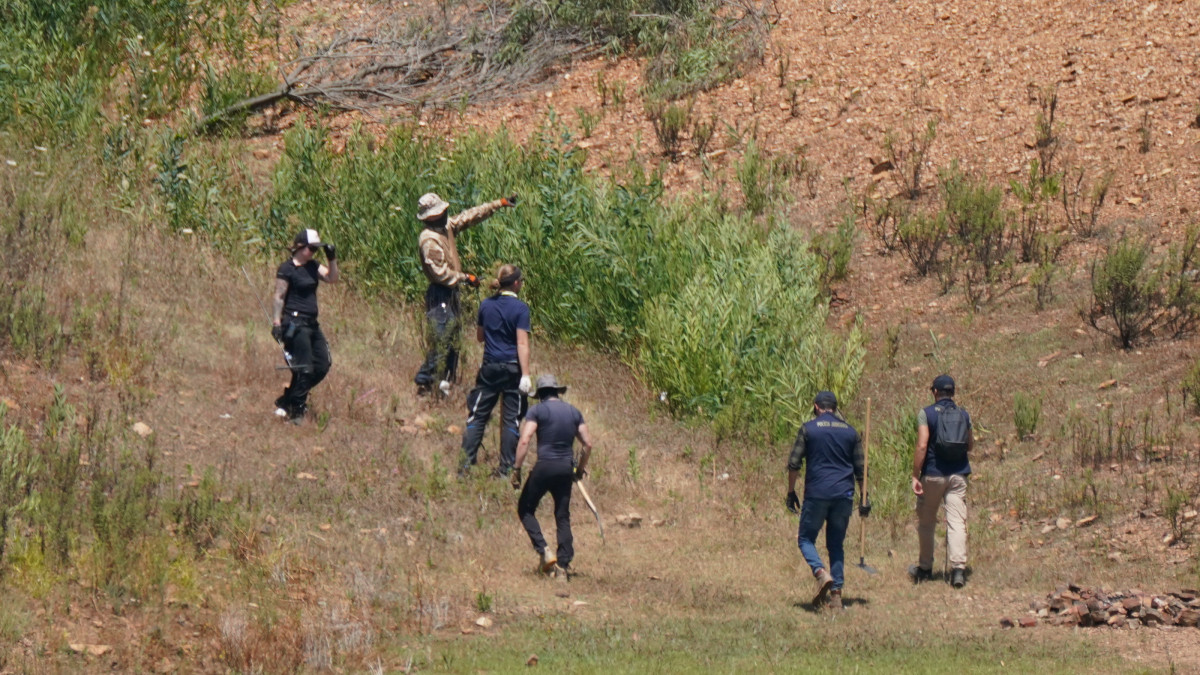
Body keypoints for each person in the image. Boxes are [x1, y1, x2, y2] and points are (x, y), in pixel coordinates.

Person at [413, 191, 518, 396]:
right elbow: (439, 273)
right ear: (431, 216)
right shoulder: (429, 240)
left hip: (451, 292)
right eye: (441, 211)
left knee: (453, 340)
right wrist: (465, 278)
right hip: (440, 293)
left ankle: (444, 384)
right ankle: (425, 381)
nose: (445, 213)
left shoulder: (446, 227)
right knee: (442, 337)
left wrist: (498, 203)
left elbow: (469, 216)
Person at [785, 391, 869, 610]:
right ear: (835, 407)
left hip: (817, 493)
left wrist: (791, 491)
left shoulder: (808, 429)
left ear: (816, 407)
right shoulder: (850, 432)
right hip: (844, 495)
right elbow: (862, 470)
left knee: (805, 539)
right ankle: (836, 597)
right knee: (836, 544)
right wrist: (864, 497)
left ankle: (821, 573)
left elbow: (794, 463)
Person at [511, 374, 593, 580]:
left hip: (544, 466)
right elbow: (588, 444)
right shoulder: (573, 412)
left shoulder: (537, 410)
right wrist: (580, 469)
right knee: (562, 515)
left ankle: (544, 551)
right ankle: (563, 566)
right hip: (565, 468)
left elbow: (525, 440)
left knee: (525, 508)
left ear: (540, 395)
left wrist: (517, 469)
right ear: (557, 391)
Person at [459, 264, 532, 476]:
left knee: (478, 416)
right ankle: (506, 469)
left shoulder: (486, 305)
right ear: (516, 283)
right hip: (512, 369)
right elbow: (522, 344)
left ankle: (465, 466)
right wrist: (526, 375)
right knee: (511, 419)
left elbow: (480, 337)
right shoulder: (521, 309)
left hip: (489, 368)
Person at [908, 374, 973, 589]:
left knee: (927, 522)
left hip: (933, 475)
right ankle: (957, 570)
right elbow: (970, 445)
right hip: (958, 476)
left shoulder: (926, 414)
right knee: (956, 522)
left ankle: (925, 569)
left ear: (934, 392)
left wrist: (916, 475)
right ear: (952, 392)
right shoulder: (963, 414)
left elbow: (922, 445)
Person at [272, 229, 339, 423]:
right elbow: (279, 296)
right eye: (311, 249)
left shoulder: (313, 266)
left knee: (322, 364)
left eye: (316, 250)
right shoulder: (287, 268)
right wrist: (277, 323)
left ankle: (287, 400)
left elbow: (332, 278)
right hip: (294, 322)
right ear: (300, 247)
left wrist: (331, 258)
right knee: (304, 368)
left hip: (311, 323)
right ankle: (297, 411)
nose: (313, 253)